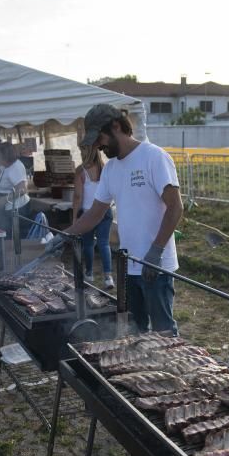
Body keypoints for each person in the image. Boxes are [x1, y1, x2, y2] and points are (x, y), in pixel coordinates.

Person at [51, 104, 183, 334]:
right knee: (135, 331)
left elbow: (175, 207)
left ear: (115, 126)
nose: (99, 146)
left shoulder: (154, 157)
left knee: (164, 333)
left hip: (156, 266)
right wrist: (65, 235)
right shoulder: (111, 168)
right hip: (129, 266)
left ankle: (172, 369)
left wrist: (156, 251)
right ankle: (144, 370)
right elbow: (94, 213)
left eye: (100, 137)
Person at [73, 144, 114, 289]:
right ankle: (108, 277)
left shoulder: (80, 171)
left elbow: (78, 196)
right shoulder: (106, 168)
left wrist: (74, 218)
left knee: (88, 244)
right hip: (105, 210)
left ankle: (89, 274)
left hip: (88, 212)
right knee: (104, 243)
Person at [0, 142, 29, 233]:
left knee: (14, 234)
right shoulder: (5, 165)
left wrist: (5, 199)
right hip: (7, 205)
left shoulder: (16, 167)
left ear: (5, 156)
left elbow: (22, 190)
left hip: (17, 207)